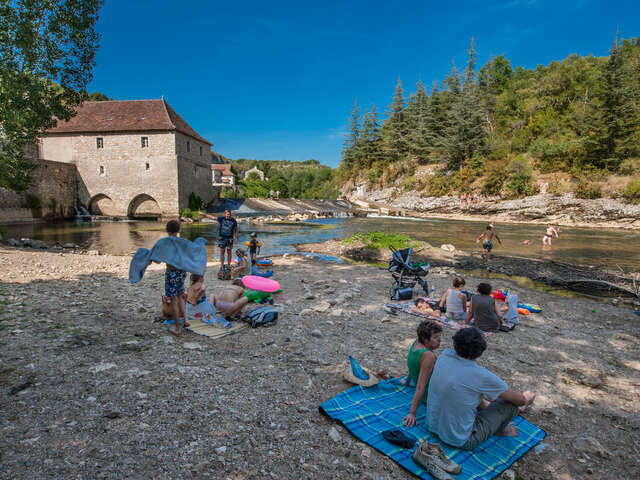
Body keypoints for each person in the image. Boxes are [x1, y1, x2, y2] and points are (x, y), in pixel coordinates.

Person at [426, 327, 536, 451]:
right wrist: (524, 398)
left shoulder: (444, 355)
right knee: (511, 404)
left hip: (432, 426)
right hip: (461, 439)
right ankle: (501, 429)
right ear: (480, 351)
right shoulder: (481, 375)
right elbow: (519, 400)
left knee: (471, 394)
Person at [403, 321, 443, 427]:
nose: (440, 340)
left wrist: (406, 382)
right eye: (435, 337)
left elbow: (412, 366)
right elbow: (421, 386)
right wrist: (412, 413)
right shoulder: (428, 355)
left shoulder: (416, 343)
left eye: (439, 336)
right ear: (425, 339)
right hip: (431, 396)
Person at [164, 220, 188, 336]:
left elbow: (161, 258)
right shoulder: (182, 242)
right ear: (179, 230)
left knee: (174, 299)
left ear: (167, 230)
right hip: (182, 271)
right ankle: (186, 320)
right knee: (180, 295)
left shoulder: (166, 243)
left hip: (172, 272)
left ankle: (178, 327)